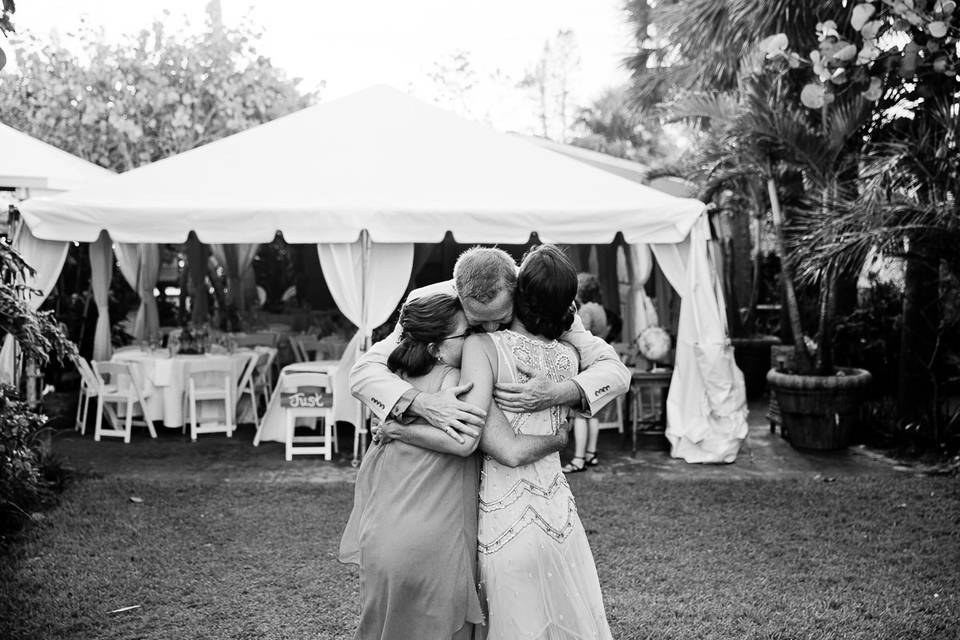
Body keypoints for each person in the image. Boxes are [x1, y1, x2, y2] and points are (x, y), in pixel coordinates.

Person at [339, 293, 570, 640]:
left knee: (389, 622)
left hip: (383, 527)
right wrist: (557, 439)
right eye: (466, 334)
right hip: (432, 528)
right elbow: (464, 444)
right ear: (435, 348)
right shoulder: (455, 379)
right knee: (441, 622)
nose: (477, 338)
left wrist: (399, 426)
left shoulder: (396, 376)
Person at [456, 244, 614, 638]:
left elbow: (482, 437)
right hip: (560, 519)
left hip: (505, 521)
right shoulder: (567, 358)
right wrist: (559, 437)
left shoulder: (482, 347)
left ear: (518, 292)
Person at [350, 246, 630, 447]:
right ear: (459, 296)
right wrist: (421, 403)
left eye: (501, 320)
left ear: (517, 290)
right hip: (437, 449)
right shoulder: (427, 302)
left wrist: (558, 392)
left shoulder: (539, 301)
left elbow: (615, 371)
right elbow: (363, 372)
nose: (490, 330)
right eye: (477, 323)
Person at [563, 273, 608, 473]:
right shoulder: (600, 309)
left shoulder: (587, 310)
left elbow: (582, 336)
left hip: (586, 363)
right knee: (594, 412)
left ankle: (579, 459)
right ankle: (591, 454)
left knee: (580, 414)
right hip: (599, 363)